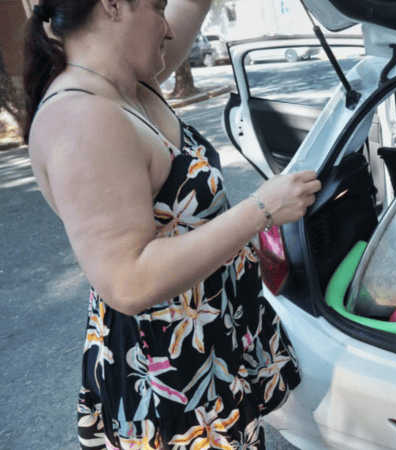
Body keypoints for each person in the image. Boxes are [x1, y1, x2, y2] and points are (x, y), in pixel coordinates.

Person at [22, 0, 321, 448]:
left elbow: (191, 7)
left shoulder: (129, 83)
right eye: (158, 7)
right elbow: (128, 281)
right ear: (112, 5)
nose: (167, 29)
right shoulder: (81, 120)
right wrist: (260, 210)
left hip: (206, 343)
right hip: (171, 373)